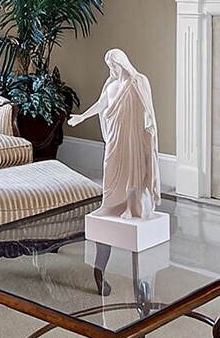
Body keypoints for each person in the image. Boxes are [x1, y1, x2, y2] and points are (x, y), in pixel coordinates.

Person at [67, 48, 161, 221]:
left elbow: (148, 109)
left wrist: (149, 125)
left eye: (114, 66)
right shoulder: (111, 84)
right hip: (114, 134)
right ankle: (110, 205)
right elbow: (101, 104)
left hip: (133, 135)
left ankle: (131, 207)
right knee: (110, 165)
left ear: (122, 63)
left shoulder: (139, 81)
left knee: (133, 169)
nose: (112, 70)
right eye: (109, 66)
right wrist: (82, 117)